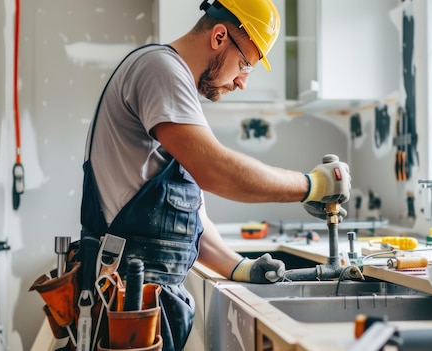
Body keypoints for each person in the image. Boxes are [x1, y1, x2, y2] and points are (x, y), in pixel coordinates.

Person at [78, 0, 351, 350]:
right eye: (245, 64)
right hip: (126, 298)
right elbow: (216, 170)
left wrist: (240, 268)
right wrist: (313, 185)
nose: (242, 82)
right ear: (219, 36)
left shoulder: (174, 88)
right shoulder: (161, 70)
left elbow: (186, 221)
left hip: (143, 295)